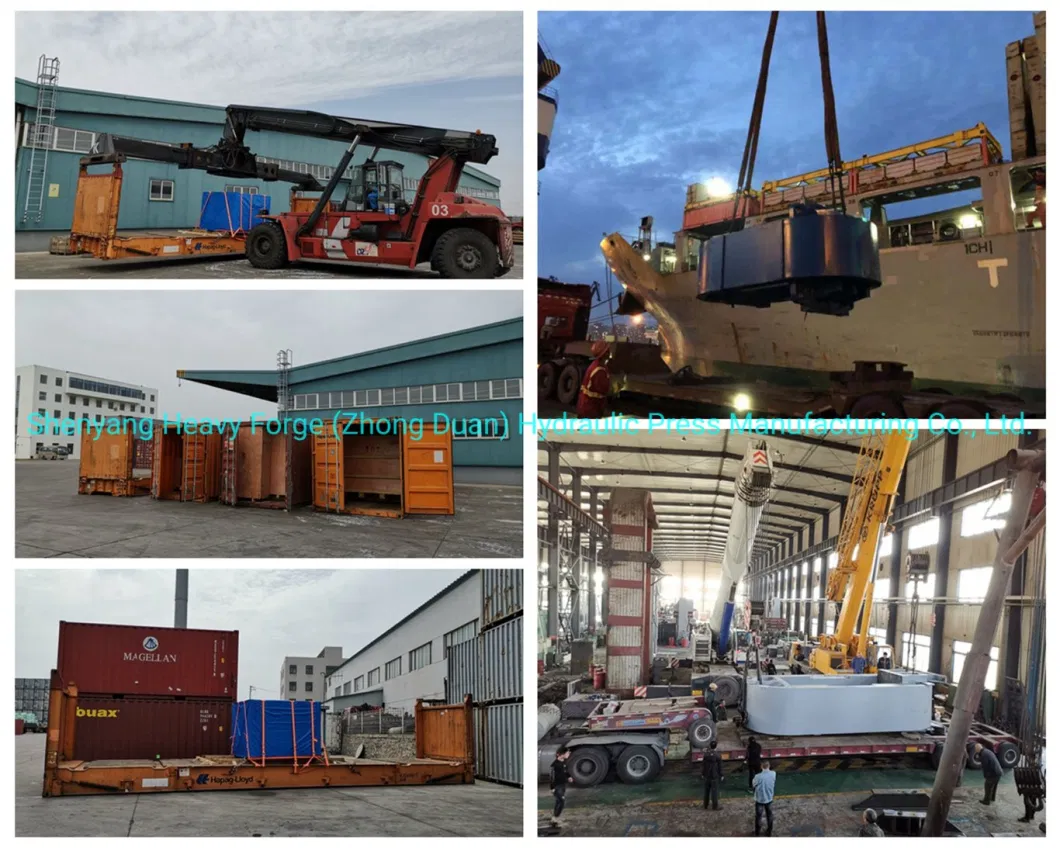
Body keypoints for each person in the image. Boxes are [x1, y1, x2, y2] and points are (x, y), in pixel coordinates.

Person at [576, 341, 611, 419]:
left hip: (587, 406)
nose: (609, 353)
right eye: (607, 351)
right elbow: (603, 389)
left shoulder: (597, 365)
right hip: (591, 409)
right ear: (604, 354)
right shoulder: (599, 370)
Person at [549, 747, 574, 827]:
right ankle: (555, 818)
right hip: (557, 786)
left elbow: (565, 771)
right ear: (561, 754)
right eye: (567, 753)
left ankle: (555, 817)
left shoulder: (563, 762)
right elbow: (551, 777)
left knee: (558, 802)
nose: (569, 754)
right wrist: (552, 788)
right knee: (561, 802)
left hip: (562, 785)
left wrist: (569, 777)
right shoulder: (554, 765)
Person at [752, 760, 776, 836]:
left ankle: (757, 833)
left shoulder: (757, 776)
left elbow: (753, 785)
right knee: (769, 815)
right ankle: (769, 832)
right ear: (769, 766)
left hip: (760, 799)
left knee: (758, 816)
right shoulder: (773, 774)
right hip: (769, 798)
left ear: (761, 766)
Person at [702, 740, 723, 811]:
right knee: (714, 792)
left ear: (710, 746)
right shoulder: (718, 755)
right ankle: (715, 806)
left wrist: (703, 774)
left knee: (706, 791)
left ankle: (705, 805)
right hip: (714, 776)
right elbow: (720, 767)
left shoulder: (706, 754)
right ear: (716, 746)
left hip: (707, 776)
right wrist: (721, 775)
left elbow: (704, 766)